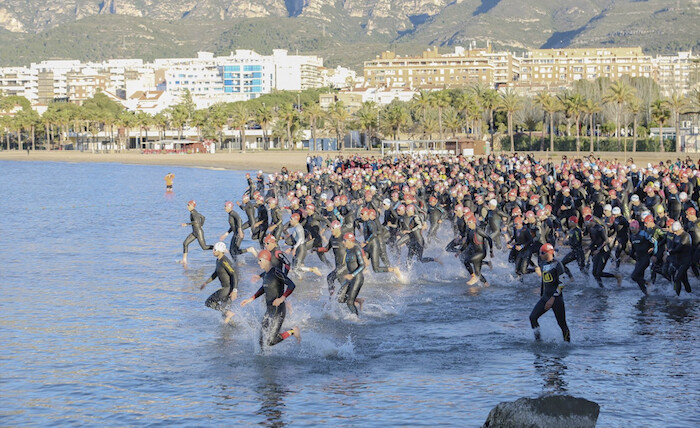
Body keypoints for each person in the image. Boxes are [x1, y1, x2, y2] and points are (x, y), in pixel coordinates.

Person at [240, 250, 301, 348]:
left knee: (271, 341)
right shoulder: (265, 274)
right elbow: (264, 288)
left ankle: (293, 331)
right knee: (261, 341)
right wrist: (250, 299)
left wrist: (282, 298)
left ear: (265, 260)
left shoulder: (276, 272)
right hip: (269, 310)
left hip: (278, 310)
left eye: (260, 260)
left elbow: (291, 285)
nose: (258, 262)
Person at [530, 243, 570, 342]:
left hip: (556, 299)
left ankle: (567, 344)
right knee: (533, 317)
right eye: (540, 253)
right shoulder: (543, 264)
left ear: (549, 253)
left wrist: (552, 298)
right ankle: (538, 340)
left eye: (542, 253)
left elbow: (562, 283)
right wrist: (542, 295)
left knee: (562, 324)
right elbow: (544, 280)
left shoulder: (557, 264)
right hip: (545, 297)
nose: (540, 255)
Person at [200, 242, 237, 324]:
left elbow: (234, 274)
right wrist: (206, 283)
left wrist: (234, 290)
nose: (213, 251)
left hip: (227, 289)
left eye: (215, 250)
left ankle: (229, 314)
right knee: (224, 316)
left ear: (220, 251)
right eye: (213, 249)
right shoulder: (218, 260)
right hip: (226, 289)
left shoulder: (224, 261)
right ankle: (234, 328)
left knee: (209, 302)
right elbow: (215, 273)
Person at [337, 233, 366, 316]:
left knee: (349, 302)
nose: (343, 242)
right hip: (350, 278)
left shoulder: (356, 249)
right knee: (340, 298)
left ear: (350, 241)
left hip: (357, 278)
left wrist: (352, 275)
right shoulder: (347, 250)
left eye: (345, 240)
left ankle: (357, 318)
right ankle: (359, 300)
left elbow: (362, 265)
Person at [181, 200, 213, 265]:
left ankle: (217, 247)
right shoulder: (195, 212)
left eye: (188, 205)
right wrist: (201, 225)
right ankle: (184, 260)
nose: (187, 206)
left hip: (199, 233)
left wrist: (187, 224)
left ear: (192, 206)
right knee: (185, 243)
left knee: (204, 247)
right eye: (187, 205)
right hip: (195, 232)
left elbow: (195, 222)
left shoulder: (193, 213)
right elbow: (203, 217)